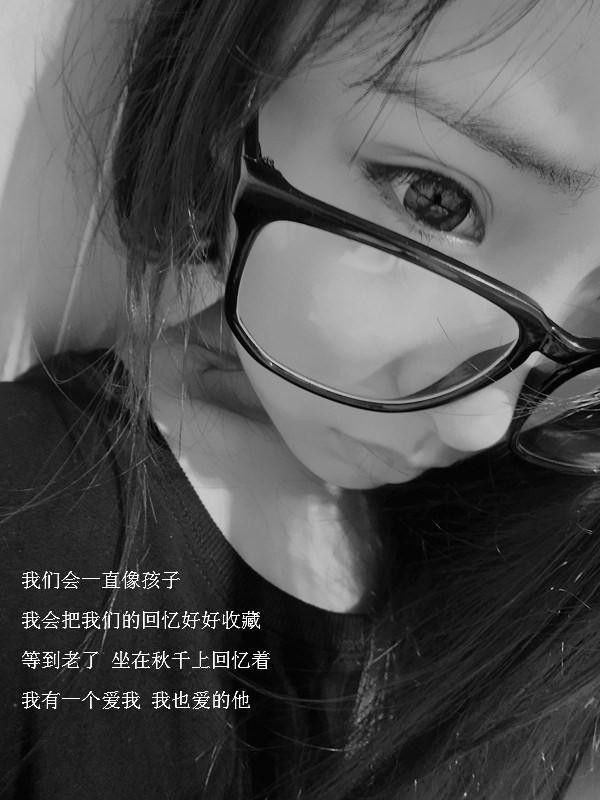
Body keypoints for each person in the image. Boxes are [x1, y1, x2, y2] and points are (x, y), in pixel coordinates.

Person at [2, 0, 600, 797]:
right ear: (234, 90)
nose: (480, 422)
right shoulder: (33, 521)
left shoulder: (532, 558)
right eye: (435, 199)